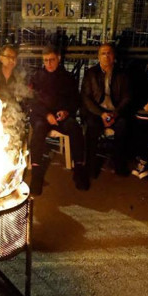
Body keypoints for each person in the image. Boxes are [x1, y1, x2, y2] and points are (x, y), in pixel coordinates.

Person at [28, 46, 88, 195]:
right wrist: (47, 114)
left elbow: (75, 99)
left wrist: (66, 112)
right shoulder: (36, 77)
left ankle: (79, 169)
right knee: (39, 129)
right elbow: (31, 101)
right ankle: (36, 173)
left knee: (74, 127)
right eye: (46, 60)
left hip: (62, 116)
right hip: (42, 115)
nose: (49, 63)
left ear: (59, 59)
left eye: (52, 60)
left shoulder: (68, 77)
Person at [81, 43, 131, 177]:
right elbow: (86, 97)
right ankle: (90, 167)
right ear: (98, 57)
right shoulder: (91, 73)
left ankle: (119, 164)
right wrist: (101, 114)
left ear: (113, 56)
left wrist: (115, 113)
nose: (106, 56)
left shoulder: (121, 74)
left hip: (115, 111)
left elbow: (126, 96)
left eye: (109, 53)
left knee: (123, 127)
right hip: (97, 112)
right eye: (103, 53)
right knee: (91, 129)